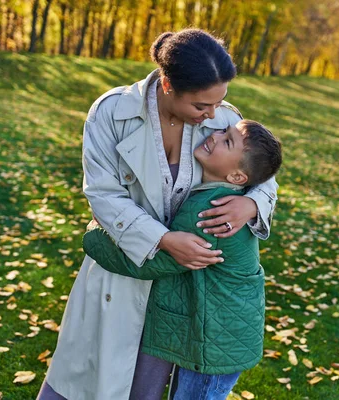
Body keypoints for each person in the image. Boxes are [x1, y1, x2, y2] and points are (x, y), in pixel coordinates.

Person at [37, 29, 278, 400]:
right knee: (91, 378)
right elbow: (103, 194)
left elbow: (261, 169)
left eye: (219, 102)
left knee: (147, 386)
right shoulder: (110, 113)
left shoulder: (224, 119)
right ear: (167, 84)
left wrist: (253, 203)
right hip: (125, 266)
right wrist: (163, 239)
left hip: (183, 293)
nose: (213, 115)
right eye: (201, 106)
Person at [82, 119, 282, 400]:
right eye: (224, 131)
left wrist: (95, 236)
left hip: (215, 341)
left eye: (228, 141)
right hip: (225, 333)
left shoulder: (209, 211)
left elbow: (152, 262)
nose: (216, 134)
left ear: (238, 177)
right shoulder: (226, 197)